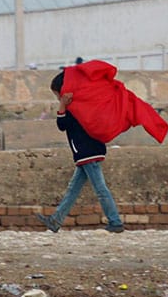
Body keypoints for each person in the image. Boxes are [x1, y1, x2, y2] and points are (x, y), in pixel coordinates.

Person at [35, 71, 125, 233]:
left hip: (87, 153)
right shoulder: (82, 103)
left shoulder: (74, 106)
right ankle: (56, 221)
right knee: (73, 189)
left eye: (57, 95)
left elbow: (62, 125)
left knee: (100, 188)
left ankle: (115, 221)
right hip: (89, 152)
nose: (57, 98)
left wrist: (62, 105)